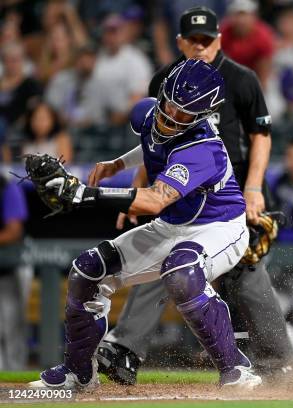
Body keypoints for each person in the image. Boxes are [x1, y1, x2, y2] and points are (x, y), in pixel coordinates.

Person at [29, 59, 261, 390]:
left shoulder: (203, 148)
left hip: (220, 226)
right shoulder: (152, 114)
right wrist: (119, 163)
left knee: (181, 271)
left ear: (202, 116)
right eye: (169, 105)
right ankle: (78, 373)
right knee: (87, 270)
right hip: (174, 224)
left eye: (183, 114)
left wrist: (85, 193)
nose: (171, 117)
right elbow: (153, 144)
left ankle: (236, 369)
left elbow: (154, 200)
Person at [96, 6, 292, 385]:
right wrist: (139, 192)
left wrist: (253, 188)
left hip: (230, 194)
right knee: (163, 262)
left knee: (246, 274)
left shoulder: (240, 78)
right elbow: (153, 142)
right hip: (180, 192)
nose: (200, 46)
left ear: (219, 39)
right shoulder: (166, 79)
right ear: (180, 42)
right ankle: (125, 350)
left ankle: (276, 361)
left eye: (207, 39)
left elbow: (261, 137)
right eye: (193, 40)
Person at [0, 174, 28, 369]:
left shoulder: (6, 186)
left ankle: (14, 375)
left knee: (11, 327)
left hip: (10, 266)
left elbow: (14, 230)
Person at [220, 0, 275, 89]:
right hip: (231, 77)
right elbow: (221, 64)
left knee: (271, 101)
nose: (241, 20)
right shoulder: (223, 32)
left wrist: (259, 90)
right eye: (238, 15)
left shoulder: (263, 35)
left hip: (257, 76)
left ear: (254, 17)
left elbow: (264, 68)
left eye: (245, 15)